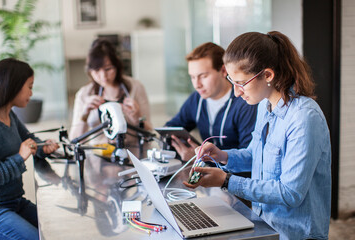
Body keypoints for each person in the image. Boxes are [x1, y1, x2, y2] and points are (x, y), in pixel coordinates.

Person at [184, 31, 331, 240]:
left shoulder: (304, 117)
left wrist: (226, 181)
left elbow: (291, 192)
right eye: (231, 81)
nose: (236, 92)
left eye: (241, 83)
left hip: (295, 234)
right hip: (265, 226)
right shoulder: (265, 105)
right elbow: (256, 155)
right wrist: (222, 156)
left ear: (268, 75)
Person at [0, 58, 59, 240]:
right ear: (13, 85)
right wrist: (19, 157)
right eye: (29, 86)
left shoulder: (9, 114)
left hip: (16, 201)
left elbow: (29, 139)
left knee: (56, 229)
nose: (31, 93)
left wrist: (42, 147)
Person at [165, 42, 257, 161]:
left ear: (224, 71)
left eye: (203, 76)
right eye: (192, 77)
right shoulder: (196, 99)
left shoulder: (245, 103)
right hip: (207, 170)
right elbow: (171, 129)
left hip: (234, 177)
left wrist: (200, 158)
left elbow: (249, 159)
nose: (197, 85)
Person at [69, 38, 152, 146]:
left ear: (117, 66)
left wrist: (138, 118)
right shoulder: (84, 94)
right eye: (97, 70)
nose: (103, 76)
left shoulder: (136, 87)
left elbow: (150, 133)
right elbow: (75, 140)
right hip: (100, 153)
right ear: (89, 71)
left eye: (108, 69)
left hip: (132, 150)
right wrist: (84, 115)